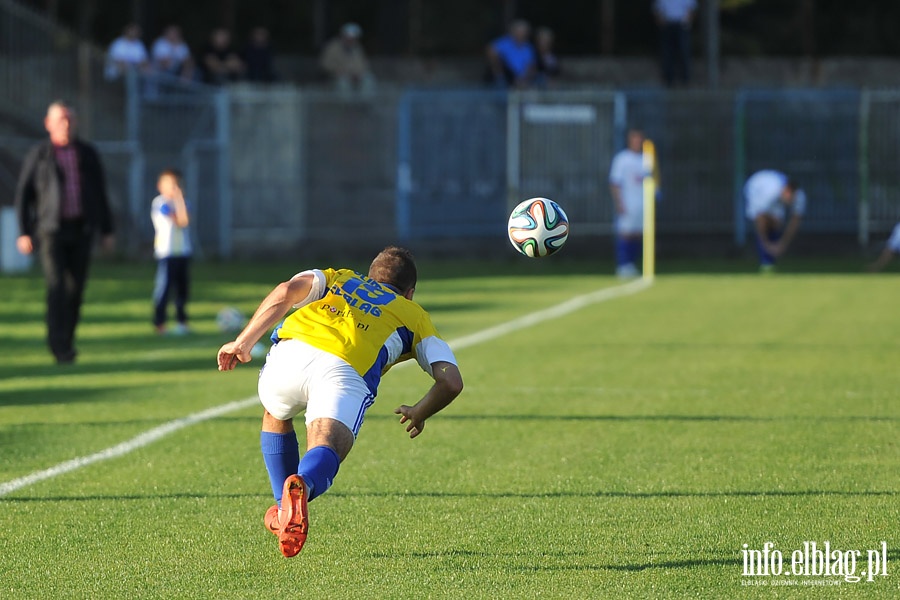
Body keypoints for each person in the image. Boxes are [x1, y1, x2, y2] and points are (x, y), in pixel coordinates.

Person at [217, 246, 463, 557]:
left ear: (370, 275)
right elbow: (451, 381)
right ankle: (301, 487)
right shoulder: (414, 315)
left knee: (276, 413)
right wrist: (419, 411)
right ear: (409, 293)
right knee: (327, 444)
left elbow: (285, 291)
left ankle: (284, 513)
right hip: (343, 370)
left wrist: (243, 342)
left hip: (289, 354)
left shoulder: (339, 278)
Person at [14, 101, 115, 364]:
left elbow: (100, 193)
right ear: (48, 124)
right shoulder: (40, 154)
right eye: (60, 120)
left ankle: (67, 342)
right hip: (51, 231)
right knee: (56, 286)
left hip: (81, 230)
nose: (66, 124)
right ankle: (58, 346)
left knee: (76, 289)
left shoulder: (87, 153)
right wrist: (24, 231)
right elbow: (24, 195)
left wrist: (106, 229)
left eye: (69, 119)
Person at [151, 169, 192, 335]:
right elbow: (181, 221)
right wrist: (178, 201)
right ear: (160, 186)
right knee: (164, 288)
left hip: (182, 252)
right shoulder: (160, 204)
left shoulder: (183, 203)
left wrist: (180, 200)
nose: (174, 188)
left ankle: (182, 321)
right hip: (166, 253)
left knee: (182, 289)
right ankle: (159, 322)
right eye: (170, 184)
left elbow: (185, 219)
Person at [743, 170, 807, 272]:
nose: (790, 201)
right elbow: (759, 219)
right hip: (755, 188)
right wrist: (767, 244)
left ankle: (770, 261)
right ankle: (765, 260)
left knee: (776, 223)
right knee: (767, 223)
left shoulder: (800, 197)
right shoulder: (769, 193)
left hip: (770, 193)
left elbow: (795, 221)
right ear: (785, 190)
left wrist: (783, 244)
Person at [609, 128, 650, 278]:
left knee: (638, 234)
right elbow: (615, 182)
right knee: (626, 233)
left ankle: (632, 264)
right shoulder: (622, 159)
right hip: (628, 203)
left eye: (639, 139)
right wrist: (619, 202)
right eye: (634, 139)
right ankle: (623, 265)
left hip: (643, 204)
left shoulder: (646, 159)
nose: (637, 142)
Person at [319, 23, 376, 94]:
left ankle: (365, 102)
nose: (351, 40)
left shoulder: (357, 48)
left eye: (353, 38)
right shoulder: (332, 47)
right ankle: (346, 104)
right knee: (343, 83)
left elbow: (363, 64)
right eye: (348, 37)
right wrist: (341, 71)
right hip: (337, 77)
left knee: (368, 79)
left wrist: (358, 73)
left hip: (355, 76)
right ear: (343, 36)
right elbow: (325, 64)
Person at [653, 0, 697, 87]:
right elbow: (657, 9)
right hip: (668, 24)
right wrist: (661, 22)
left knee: (684, 51)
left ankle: (685, 79)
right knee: (667, 52)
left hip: (682, 25)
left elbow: (692, 8)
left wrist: (687, 22)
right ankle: (669, 79)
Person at [485, 19, 536, 89]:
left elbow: (531, 66)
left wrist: (524, 79)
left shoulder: (528, 47)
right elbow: (490, 50)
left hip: (522, 80)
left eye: (524, 32)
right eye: (519, 31)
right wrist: (499, 71)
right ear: (513, 31)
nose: (521, 34)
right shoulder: (504, 43)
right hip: (505, 78)